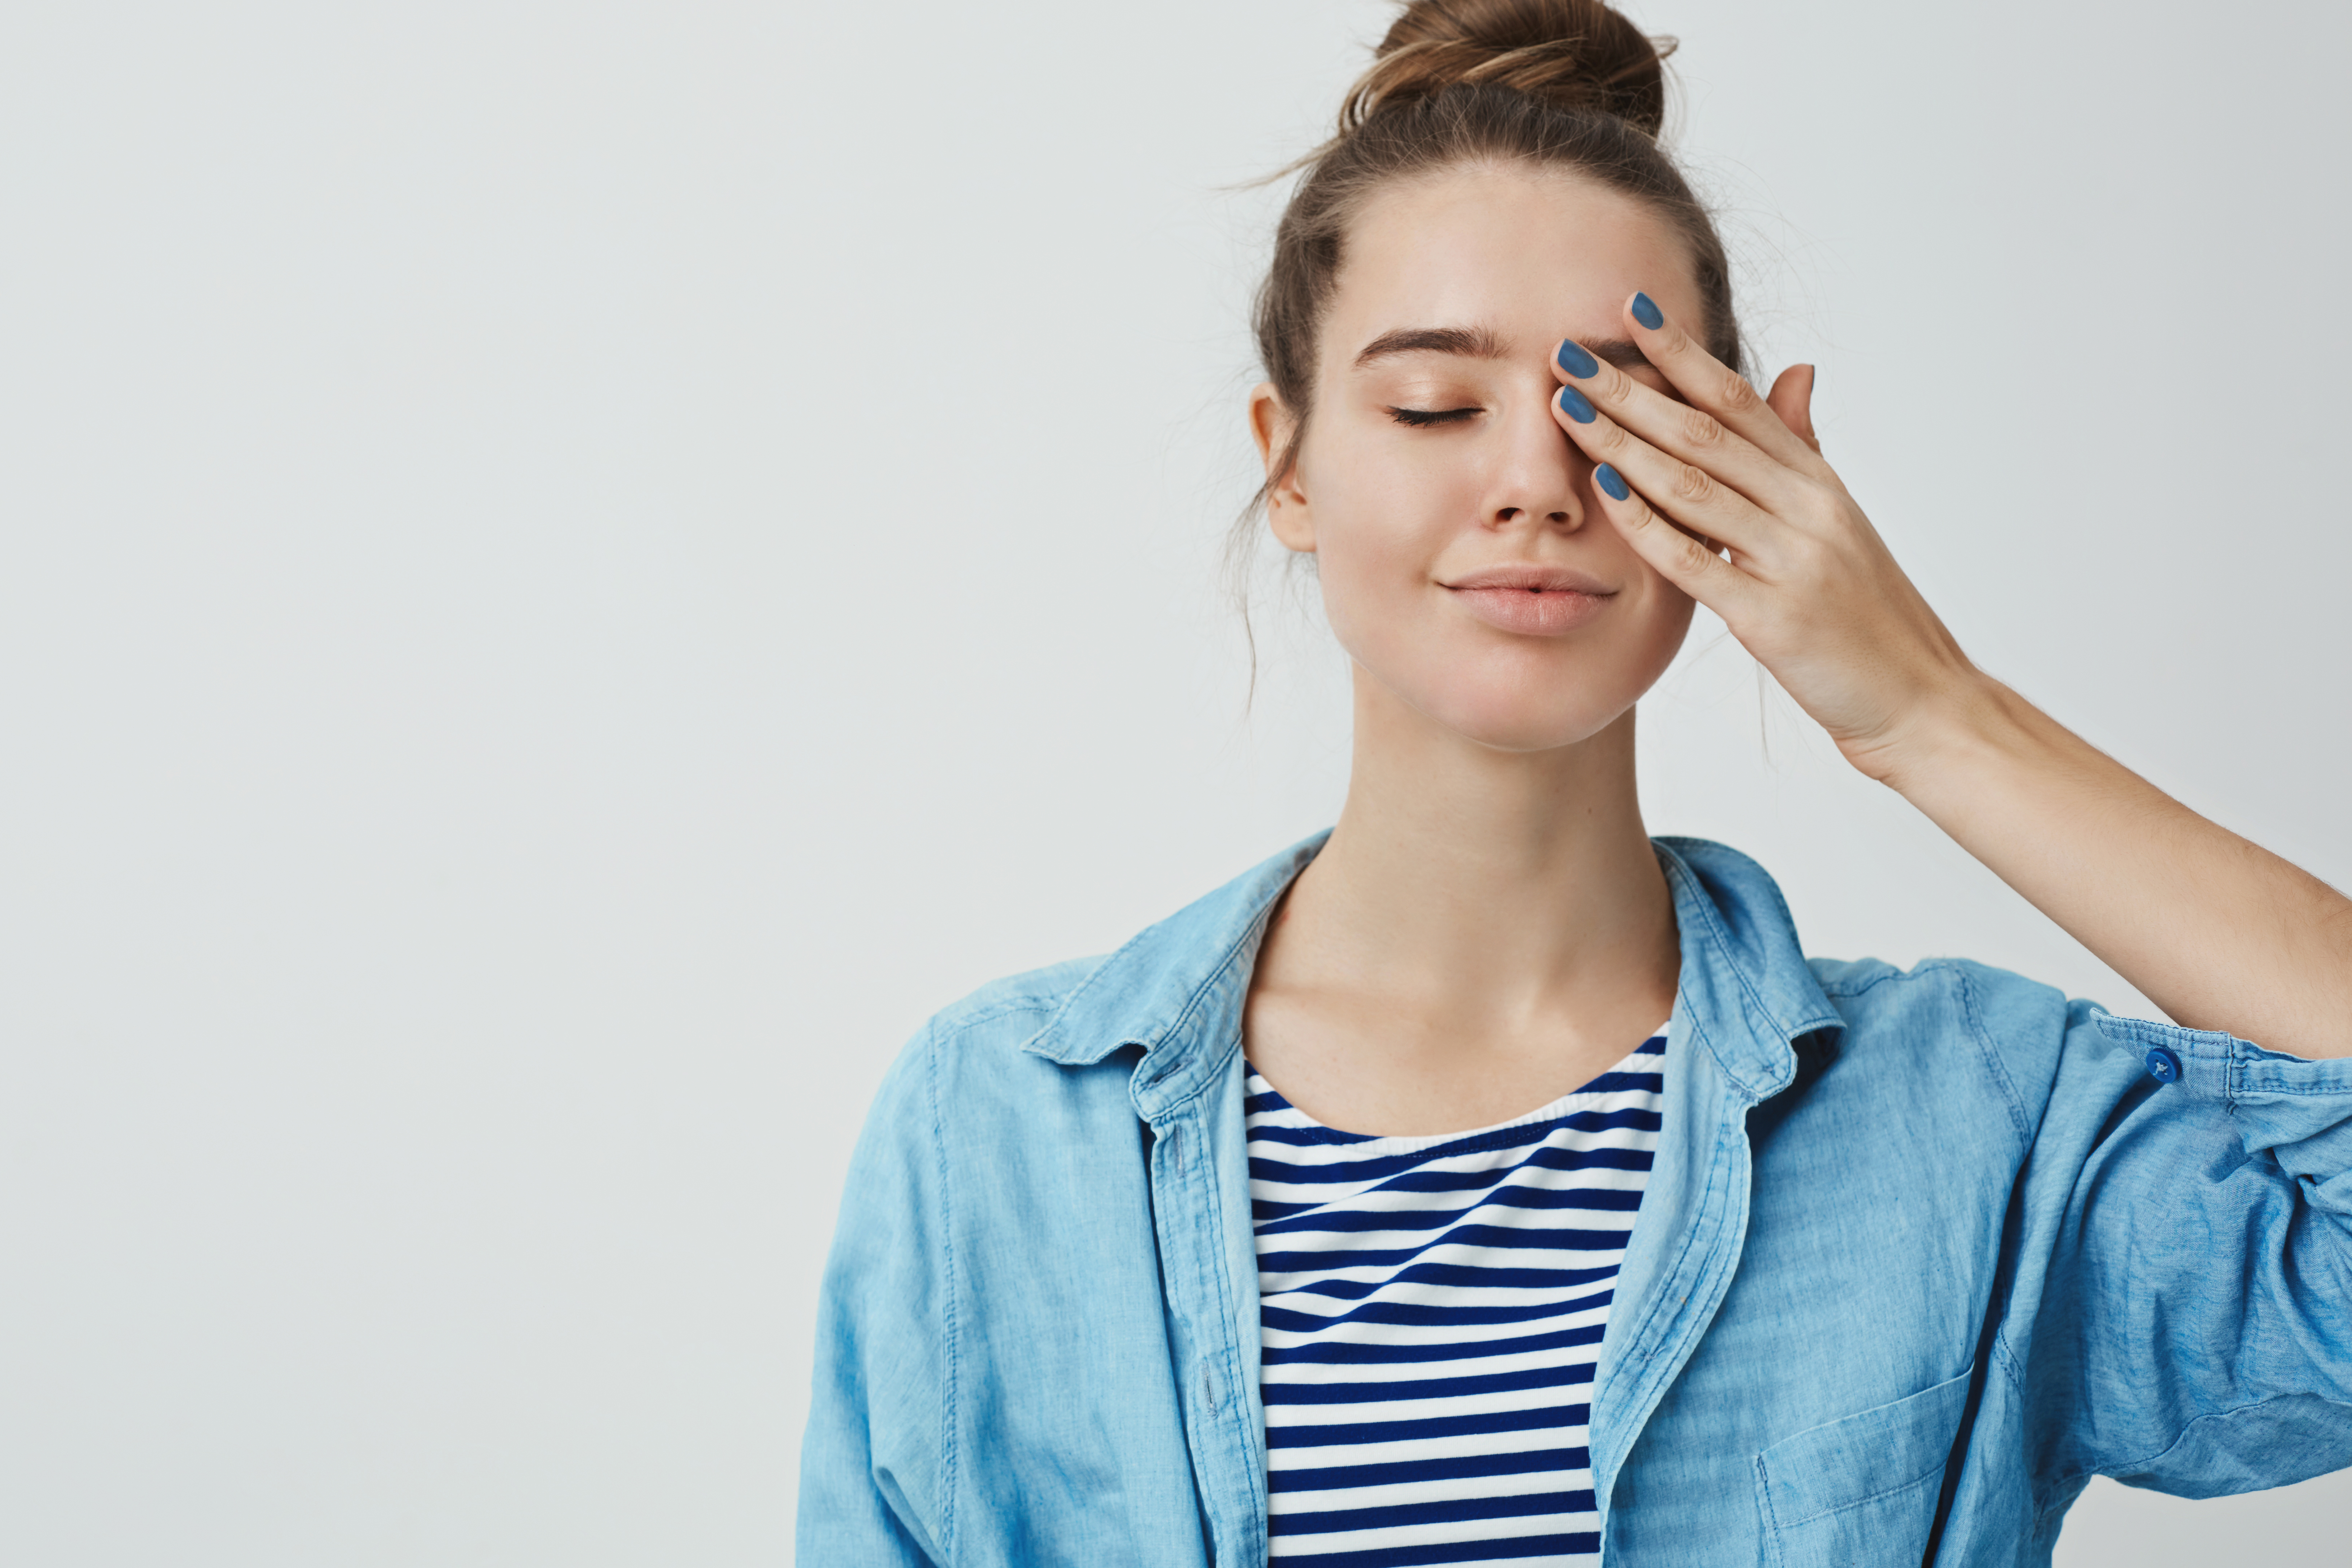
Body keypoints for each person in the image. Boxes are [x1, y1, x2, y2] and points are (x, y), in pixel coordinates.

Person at [795, 1, 2352, 1562]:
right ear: (1289, 467)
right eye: (1432, 407)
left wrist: (1932, 714)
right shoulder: (998, 1128)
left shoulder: (1972, 1112)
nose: (1536, 482)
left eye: (1615, 409)